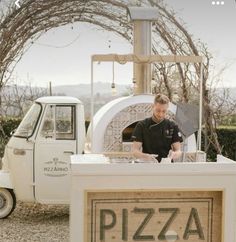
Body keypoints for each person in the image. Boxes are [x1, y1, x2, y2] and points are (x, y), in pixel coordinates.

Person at [132, 94, 183, 162]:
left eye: (164, 111)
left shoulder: (172, 126)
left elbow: (178, 151)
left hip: (166, 165)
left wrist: (174, 154)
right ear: (153, 107)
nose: (160, 114)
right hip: (148, 164)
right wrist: (146, 157)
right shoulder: (141, 125)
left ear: (167, 108)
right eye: (158, 110)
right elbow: (135, 151)